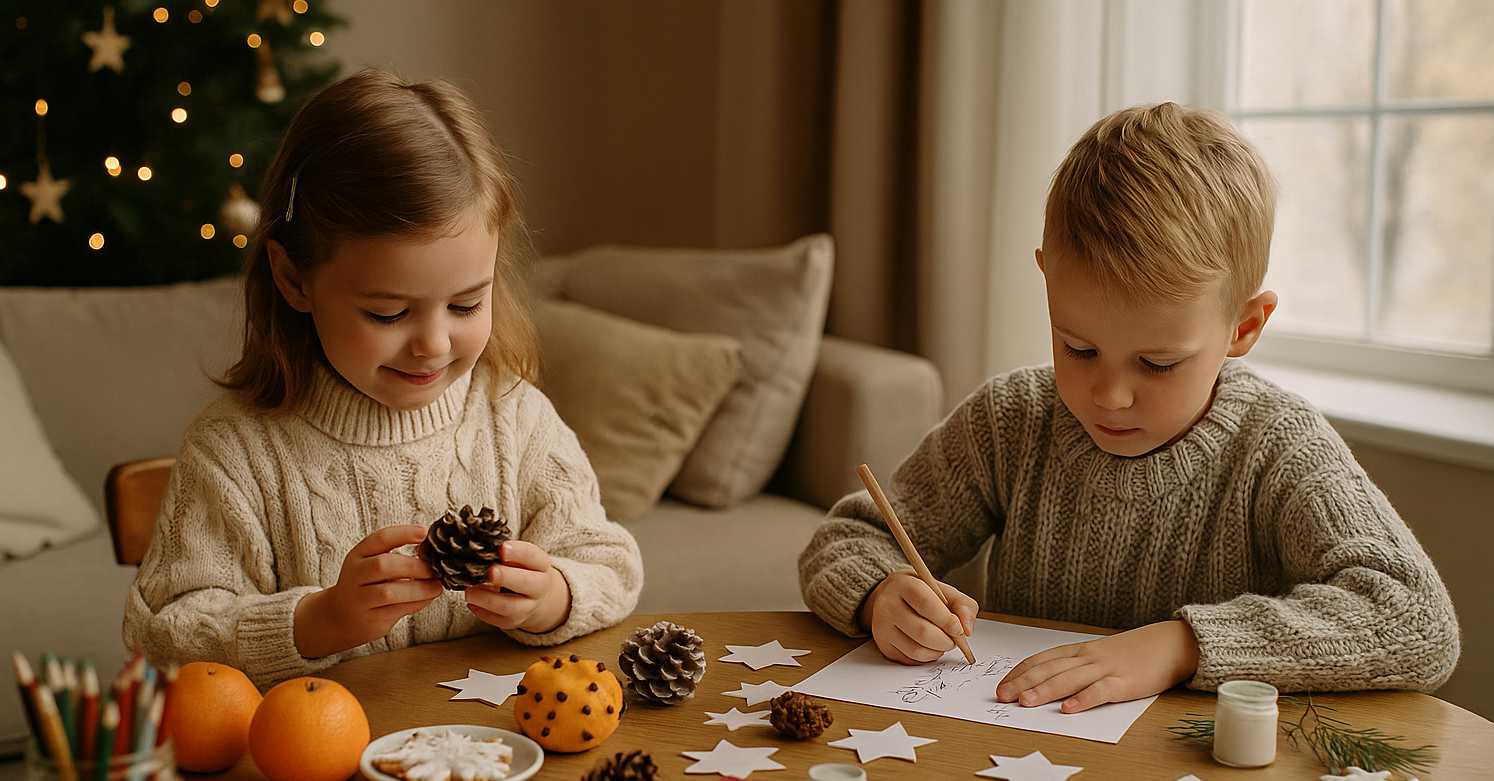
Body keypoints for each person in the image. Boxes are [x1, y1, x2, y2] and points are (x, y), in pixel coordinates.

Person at [798, 102, 1458, 713]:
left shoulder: (1277, 445)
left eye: (1157, 363)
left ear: (1244, 328)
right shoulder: (1011, 421)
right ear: (1047, 280)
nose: (1109, 395)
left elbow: (1416, 620)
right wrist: (881, 594)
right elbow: (847, 539)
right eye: (1078, 347)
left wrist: (1181, 647)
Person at [125, 70, 642, 686]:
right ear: (294, 280)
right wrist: (318, 621)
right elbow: (162, 635)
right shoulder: (235, 453)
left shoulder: (515, 419)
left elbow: (610, 564)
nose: (433, 343)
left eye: (467, 304)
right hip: (321, 766)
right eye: (388, 313)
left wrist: (556, 595)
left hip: (500, 758)